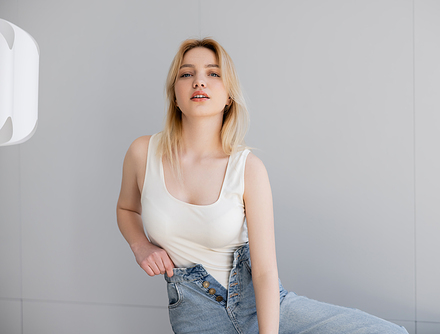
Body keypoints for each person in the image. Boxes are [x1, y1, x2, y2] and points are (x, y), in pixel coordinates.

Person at [116, 38, 408, 334]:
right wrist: (140, 245)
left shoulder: (248, 169)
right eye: (187, 74)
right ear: (175, 94)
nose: (199, 82)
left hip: (263, 306)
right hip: (196, 317)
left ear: (228, 96)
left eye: (213, 74)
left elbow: (266, 271)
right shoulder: (143, 153)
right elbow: (127, 207)